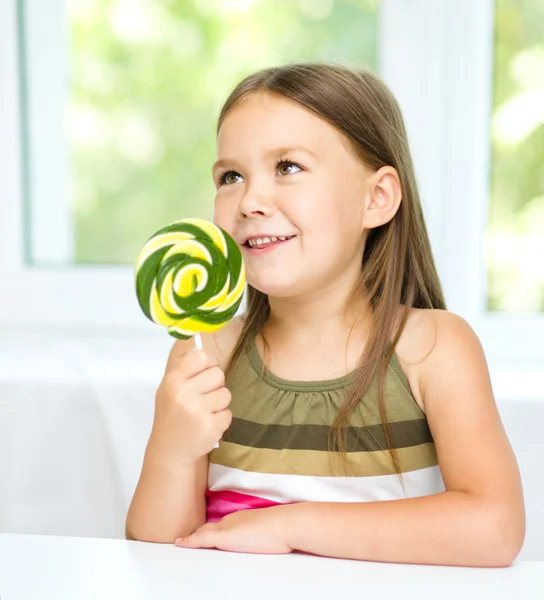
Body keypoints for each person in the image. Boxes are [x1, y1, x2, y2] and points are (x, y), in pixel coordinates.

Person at [126, 62, 525, 567]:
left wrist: (289, 526)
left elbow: (493, 530)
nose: (249, 200)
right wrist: (171, 447)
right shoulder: (209, 352)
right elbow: (159, 554)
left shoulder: (432, 348)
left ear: (376, 198)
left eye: (288, 167)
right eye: (231, 176)